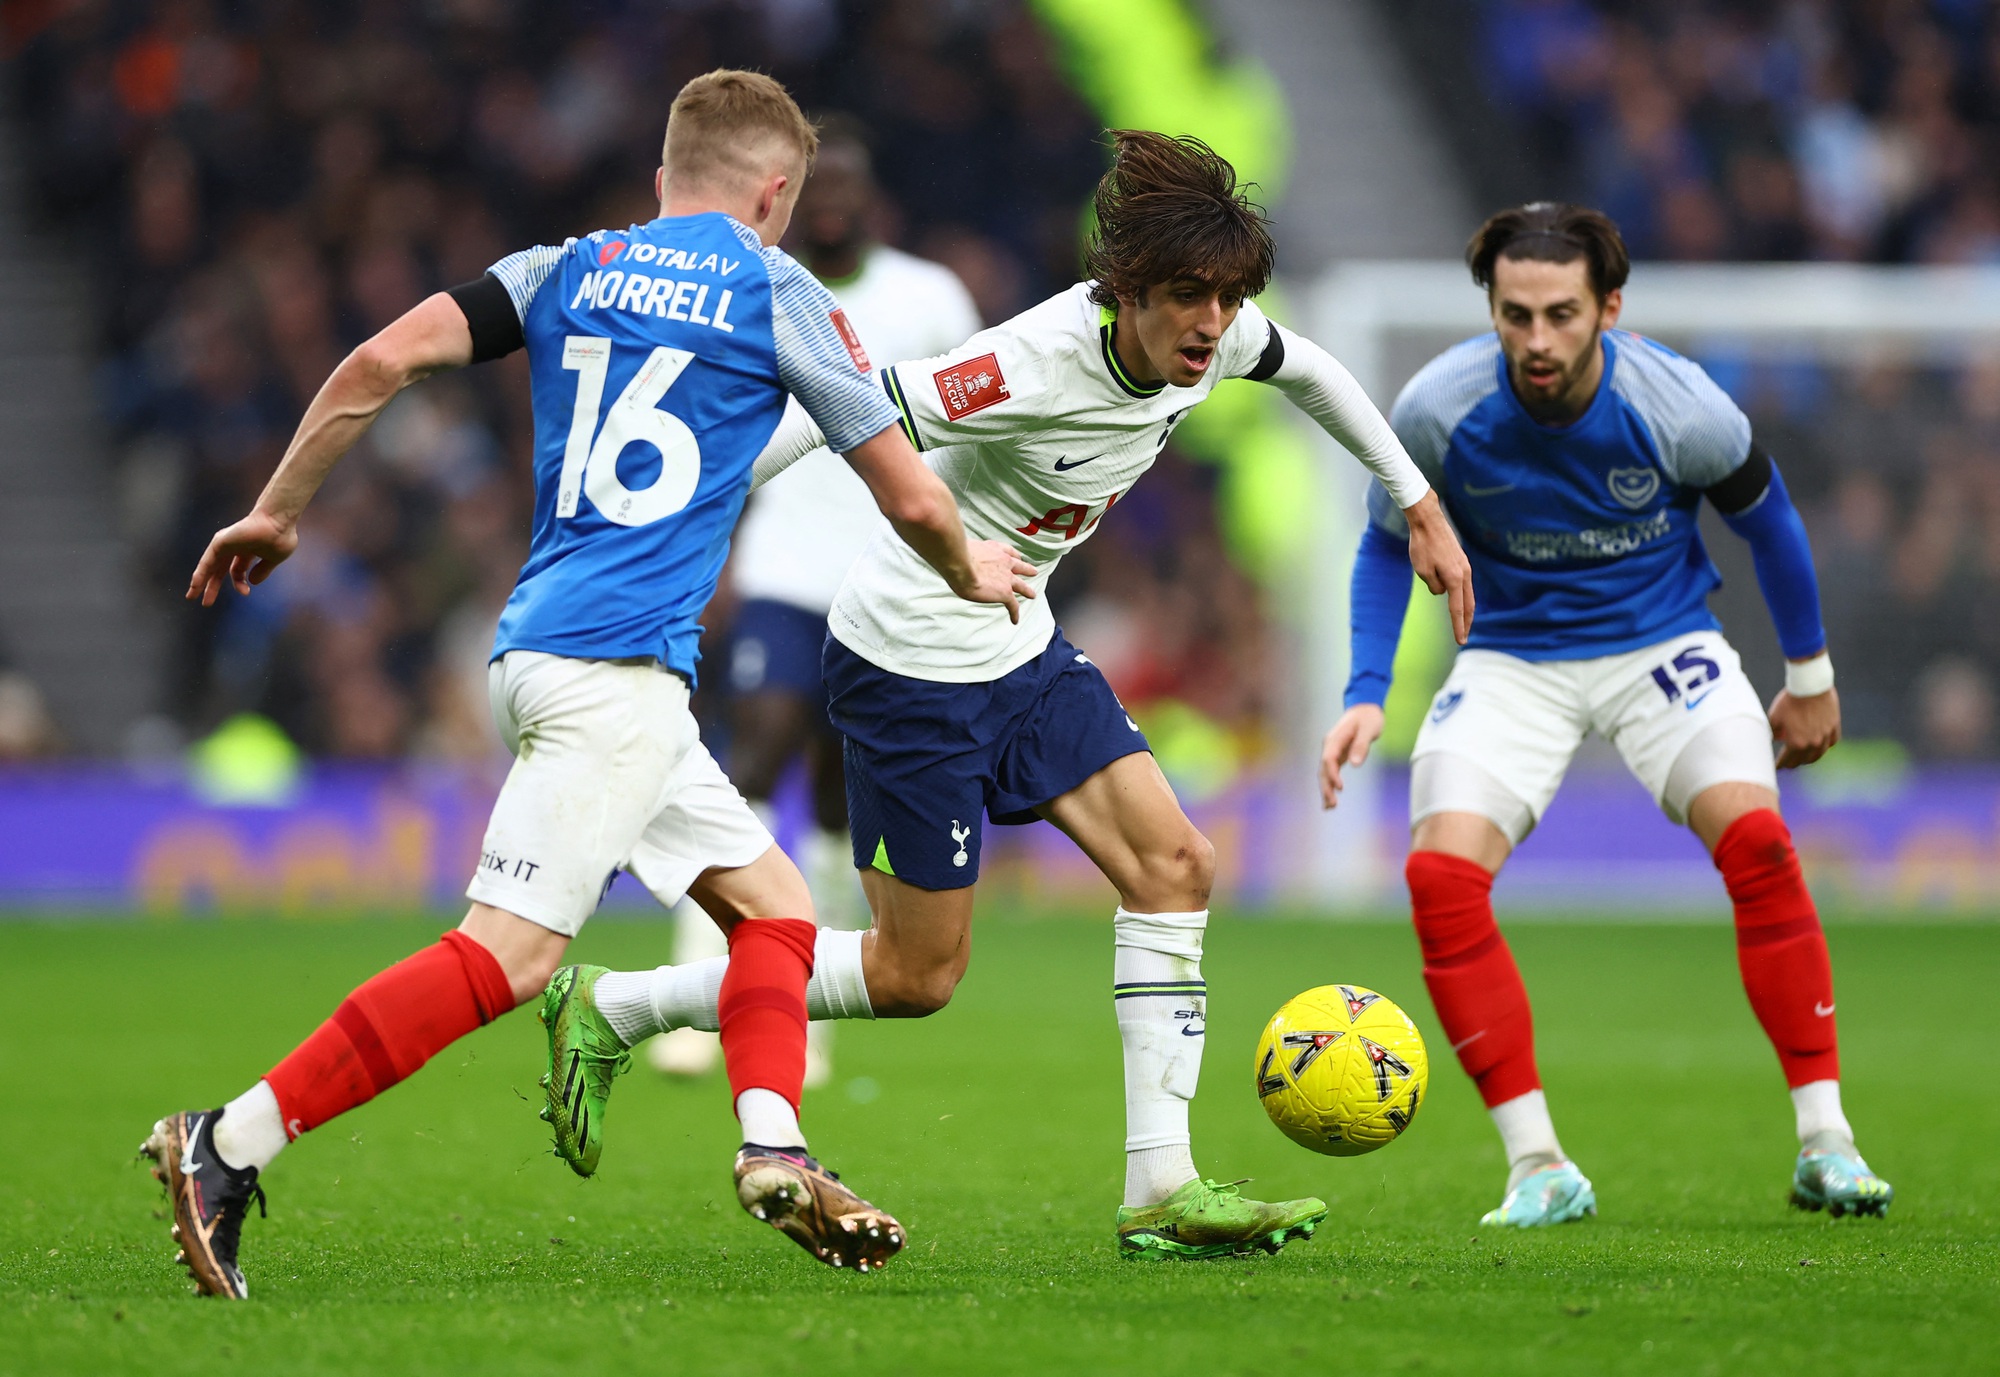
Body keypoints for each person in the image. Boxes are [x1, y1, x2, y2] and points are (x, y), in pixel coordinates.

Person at [141, 69, 1033, 1296]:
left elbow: (372, 363)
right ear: (777, 195)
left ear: (664, 178)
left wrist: (276, 512)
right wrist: (968, 561)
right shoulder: (781, 293)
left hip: (554, 655)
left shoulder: (561, 265)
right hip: (606, 677)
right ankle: (228, 1142)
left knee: (774, 913)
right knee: (502, 961)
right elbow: (908, 486)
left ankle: (774, 1146)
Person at [545, 131, 1474, 1260]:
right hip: (906, 666)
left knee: (1174, 865)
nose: (1211, 324)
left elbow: (1314, 370)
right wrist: (682, 534)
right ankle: (624, 1005)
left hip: (1019, 647)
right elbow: (848, 405)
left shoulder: (1213, 340)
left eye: (1228, 299)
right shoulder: (1026, 363)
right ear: (1124, 292)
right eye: (1187, 297)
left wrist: (1416, 502)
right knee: (914, 976)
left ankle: (1160, 1189)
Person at [1317, 201, 1893, 1227]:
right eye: (1514, 315)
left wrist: (1809, 679)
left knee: (1756, 843)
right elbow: (1380, 544)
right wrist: (1365, 692)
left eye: (1560, 315)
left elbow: (1772, 528)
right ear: (1489, 310)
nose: (1536, 341)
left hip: (1659, 648)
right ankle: (1536, 1165)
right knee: (1437, 878)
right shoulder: (1434, 410)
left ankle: (1825, 1141)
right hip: (1510, 661)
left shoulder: (1681, 408)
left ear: (1608, 310)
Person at [650, 119, 982, 1085]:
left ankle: (807, 1009)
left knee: (843, 800)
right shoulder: (756, 289)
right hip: (786, 572)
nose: (830, 199)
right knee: (750, 753)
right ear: (785, 194)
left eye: (847, 183)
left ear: (871, 195)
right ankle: (695, 991)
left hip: (886, 579)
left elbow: (975, 422)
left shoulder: (930, 297)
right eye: (814, 185)